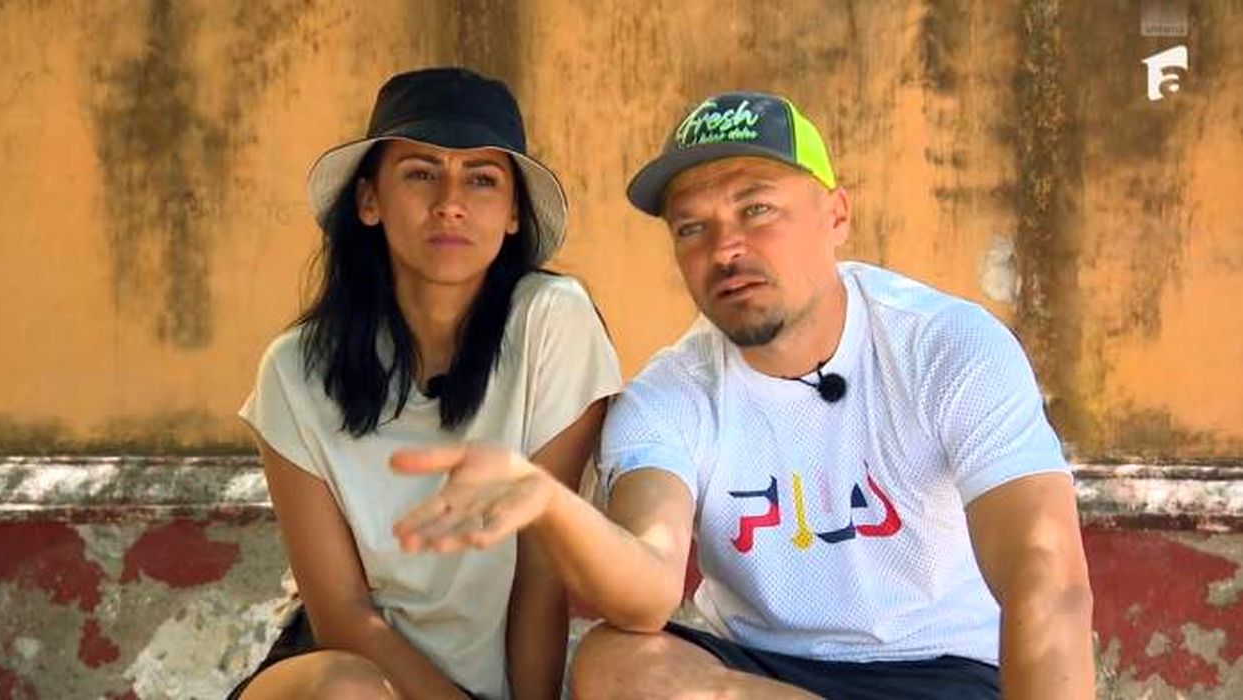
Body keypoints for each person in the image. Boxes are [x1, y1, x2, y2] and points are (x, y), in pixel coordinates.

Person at [389, 90, 1096, 699]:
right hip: (762, 675)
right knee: (615, 664)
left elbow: (1047, 582)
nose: (725, 249)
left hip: (945, 671)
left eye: (756, 209)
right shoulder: (667, 396)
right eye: (692, 228)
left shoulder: (945, 345)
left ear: (836, 215)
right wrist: (549, 502)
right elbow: (648, 585)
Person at [231, 67, 622, 700]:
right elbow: (344, 616)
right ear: (369, 201)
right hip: (342, 678)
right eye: (420, 173)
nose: (450, 202)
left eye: (481, 178)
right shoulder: (294, 371)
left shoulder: (552, 324)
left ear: (513, 212)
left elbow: (540, 575)